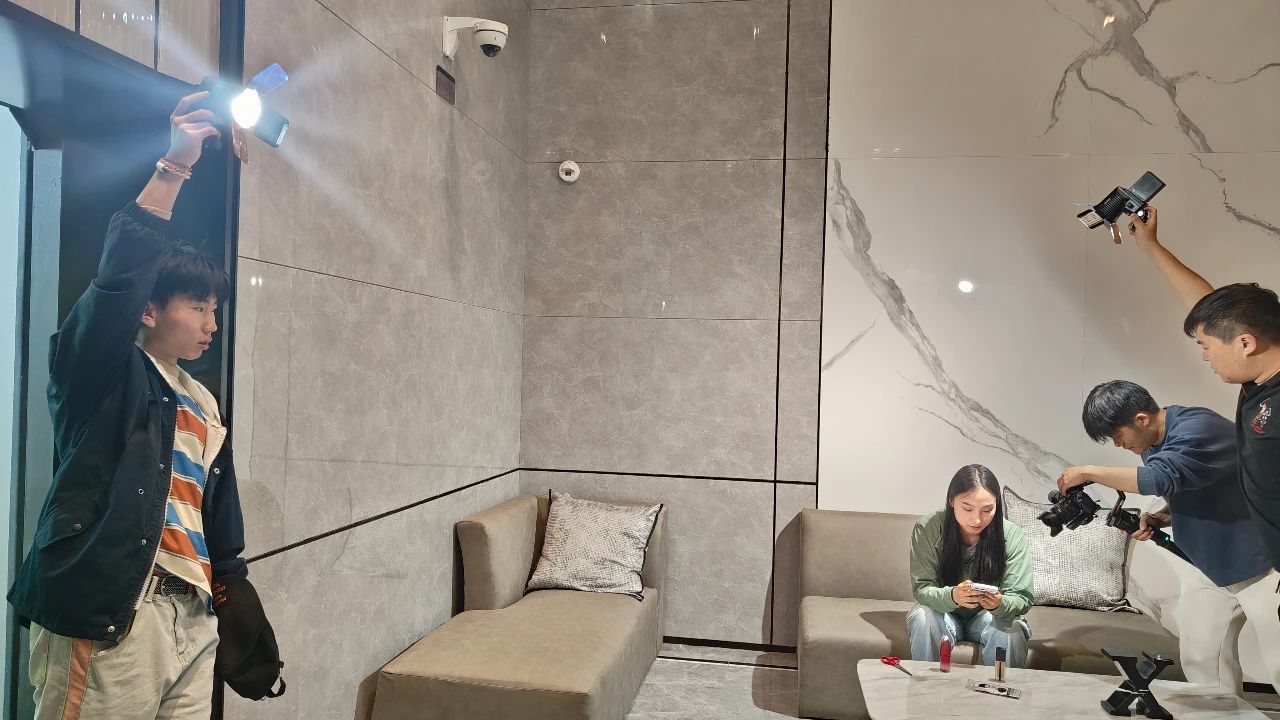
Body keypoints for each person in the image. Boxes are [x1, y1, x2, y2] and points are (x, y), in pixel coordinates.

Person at [7, 91, 249, 719]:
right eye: (197, 307)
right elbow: (119, 279)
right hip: (116, 613)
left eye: (214, 309)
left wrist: (232, 594)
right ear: (148, 310)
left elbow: (212, 511)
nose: (211, 324)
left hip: (190, 617)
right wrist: (176, 166)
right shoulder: (103, 369)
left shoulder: (203, 400)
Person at [1058, 380, 1279, 692]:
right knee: (1203, 662)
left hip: (1264, 566)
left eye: (1118, 435)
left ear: (1141, 419)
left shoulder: (1197, 428)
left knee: (1279, 663)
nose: (1118, 444)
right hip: (1210, 567)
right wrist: (1161, 516)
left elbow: (1159, 478)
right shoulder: (1153, 443)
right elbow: (1196, 486)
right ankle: (1218, 715)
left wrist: (1088, 472)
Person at [1125, 207, 1280, 573]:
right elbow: (1211, 313)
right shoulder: (1258, 376)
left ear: (1245, 343)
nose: (1206, 356)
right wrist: (1149, 245)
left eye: (1206, 347)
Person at [907, 464, 1034, 667]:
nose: (977, 519)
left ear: (997, 505)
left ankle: (1000, 688)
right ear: (951, 501)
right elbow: (922, 588)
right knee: (923, 617)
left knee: (1012, 629)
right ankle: (927, 687)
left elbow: (1020, 597)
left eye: (987, 510)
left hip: (988, 616)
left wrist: (999, 604)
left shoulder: (1011, 534)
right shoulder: (928, 528)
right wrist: (953, 596)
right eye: (967, 508)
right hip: (943, 614)